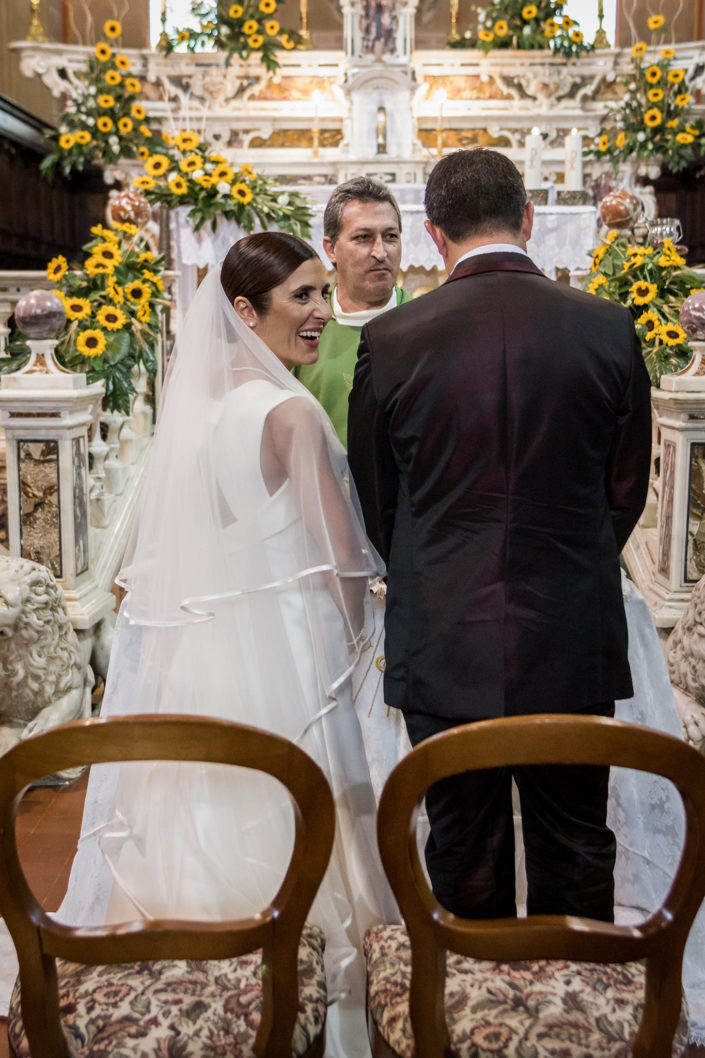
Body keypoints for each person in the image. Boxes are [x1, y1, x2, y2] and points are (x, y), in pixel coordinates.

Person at [53, 232, 396, 1058]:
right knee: (310, 801)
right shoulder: (289, 412)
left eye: (323, 293)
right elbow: (339, 560)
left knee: (200, 795)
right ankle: (317, 998)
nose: (321, 312)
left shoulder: (196, 409)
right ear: (245, 312)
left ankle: (209, 965)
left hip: (206, 647)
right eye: (302, 298)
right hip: (291, 644)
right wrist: (361, 649)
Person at [348, 148, 653, 923]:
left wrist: (434, 566)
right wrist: (572, 556)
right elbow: (624, 488)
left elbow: (377, 499)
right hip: (569, 626)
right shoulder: (609, 326)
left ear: (429, 233)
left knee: (461, 844)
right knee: (577, 838)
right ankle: (579, 1013)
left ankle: (468, 1019)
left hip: (445, 628)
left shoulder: (390, 341)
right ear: (526, 220)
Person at [296, 176, 410, 447]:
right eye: (363, 238)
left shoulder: (426, 323)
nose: (381, 252)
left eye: (390, 236)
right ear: (331, 249)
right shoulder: (302, 326)